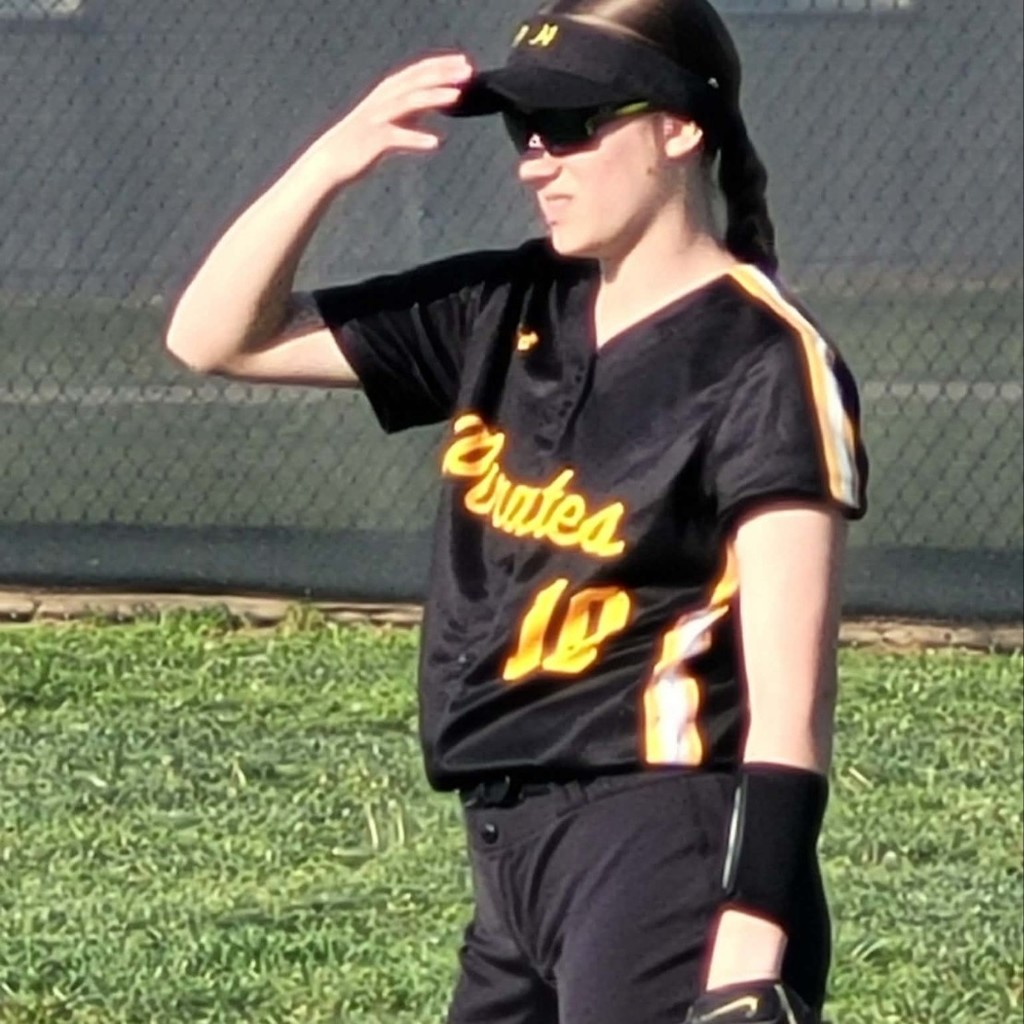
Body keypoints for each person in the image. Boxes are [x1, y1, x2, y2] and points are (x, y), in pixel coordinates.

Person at [165, 0, 868, 1021]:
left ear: (679, 128)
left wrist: (753, 928)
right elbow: (214, 336)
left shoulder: (763, 360)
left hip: (664, 841)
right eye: (522, 129)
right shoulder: (503, 308)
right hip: (509, 855)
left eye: (575, 125)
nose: (538, 160)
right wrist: (328, 162)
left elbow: (792, 695)